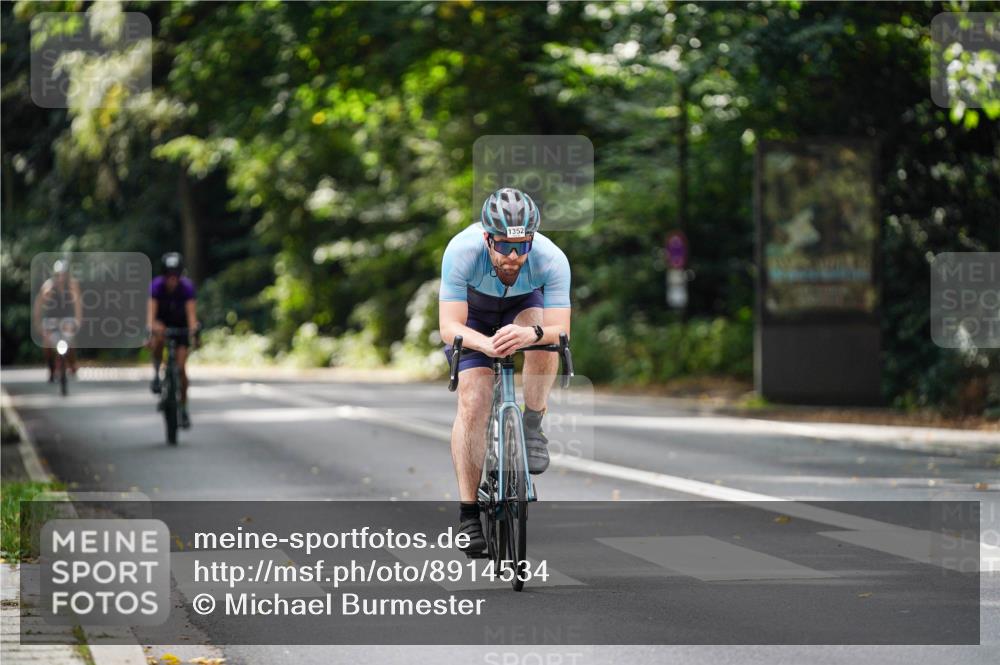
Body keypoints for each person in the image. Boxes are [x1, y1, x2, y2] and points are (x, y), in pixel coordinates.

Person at [438, 187, 571, 553]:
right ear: (487, 238)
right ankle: (468, 515)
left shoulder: (551, 259)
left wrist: (533, 333)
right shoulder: (462, 251)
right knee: (474, 399)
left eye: (522, 247)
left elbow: (562, 329)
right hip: (474, 318)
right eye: (503, 247)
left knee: (544, 337)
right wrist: (485, 344)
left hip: (522, 309)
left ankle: (531, 426)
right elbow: (449, 327)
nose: (513, 257)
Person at [147, 252, 199, 428]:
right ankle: (156, 373)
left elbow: (191, 316)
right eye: (169, 275)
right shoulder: (156, 287)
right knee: (158, 335)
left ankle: (183, 408)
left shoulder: (187, 288)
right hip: (162, 325)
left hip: (181, 327)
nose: (172, 279)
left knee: (182, 369)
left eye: (175, 275)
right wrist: (152, 328)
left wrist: (194, 331)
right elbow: (151, 316)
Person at [33, 259, 82, 382]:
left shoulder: (72, 286)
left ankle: (72, 363)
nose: (61, 278)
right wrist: (38, 323)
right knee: (47, 342)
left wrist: (78, 320)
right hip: (51, 318)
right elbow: (38, 305)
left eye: (64, 275)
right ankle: (51, 369)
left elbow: (77, 304)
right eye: (59, 275)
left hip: (67, 317)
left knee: (70, 338)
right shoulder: (48, 287)